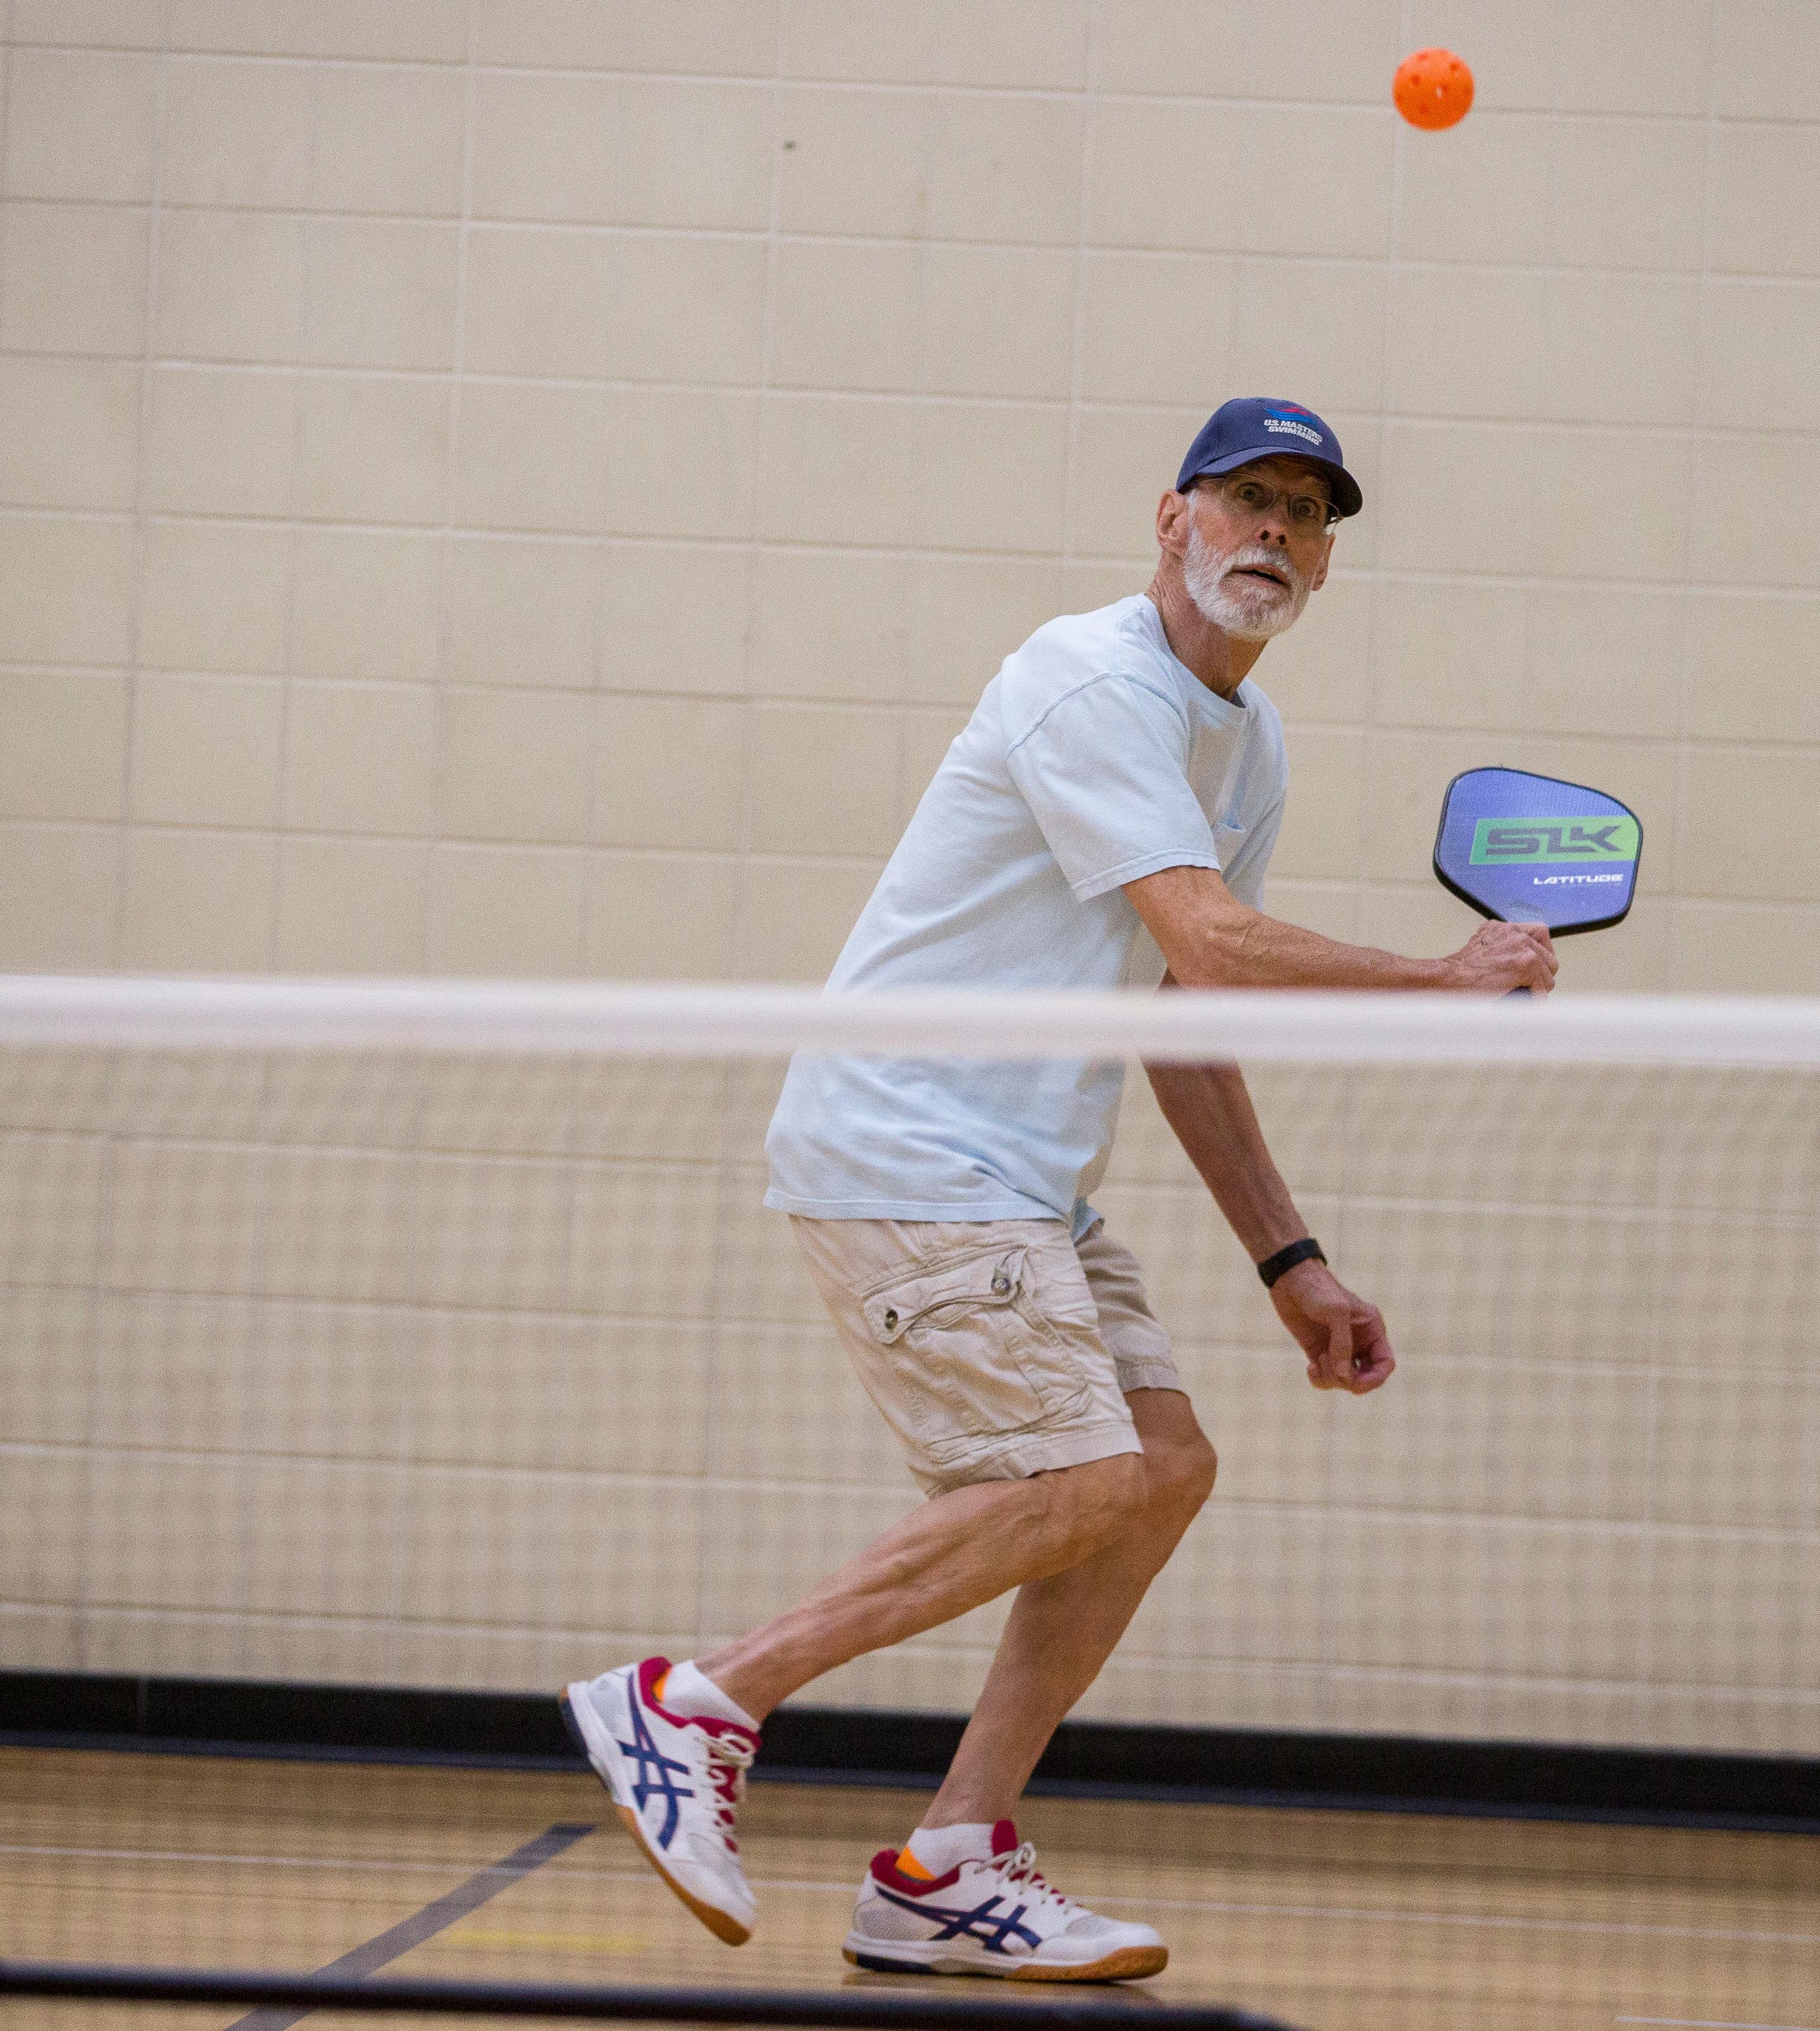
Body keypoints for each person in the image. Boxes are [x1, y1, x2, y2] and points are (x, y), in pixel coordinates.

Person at [562, 398, 1557, 1982]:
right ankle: (697, 1702)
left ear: (1323, 563)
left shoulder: (1247, 740)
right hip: (906, 1149)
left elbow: (1185, 1007)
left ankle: (945, 1865)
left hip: (1023, 1181)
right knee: (1078, 1480)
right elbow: (1213, 939)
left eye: (1307, 513)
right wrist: (1441, 980)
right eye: (1247, 498)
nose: (1276, 531)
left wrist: (1290, 1259)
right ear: (1172, 519)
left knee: (1158, 1468)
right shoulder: (1089, 680)